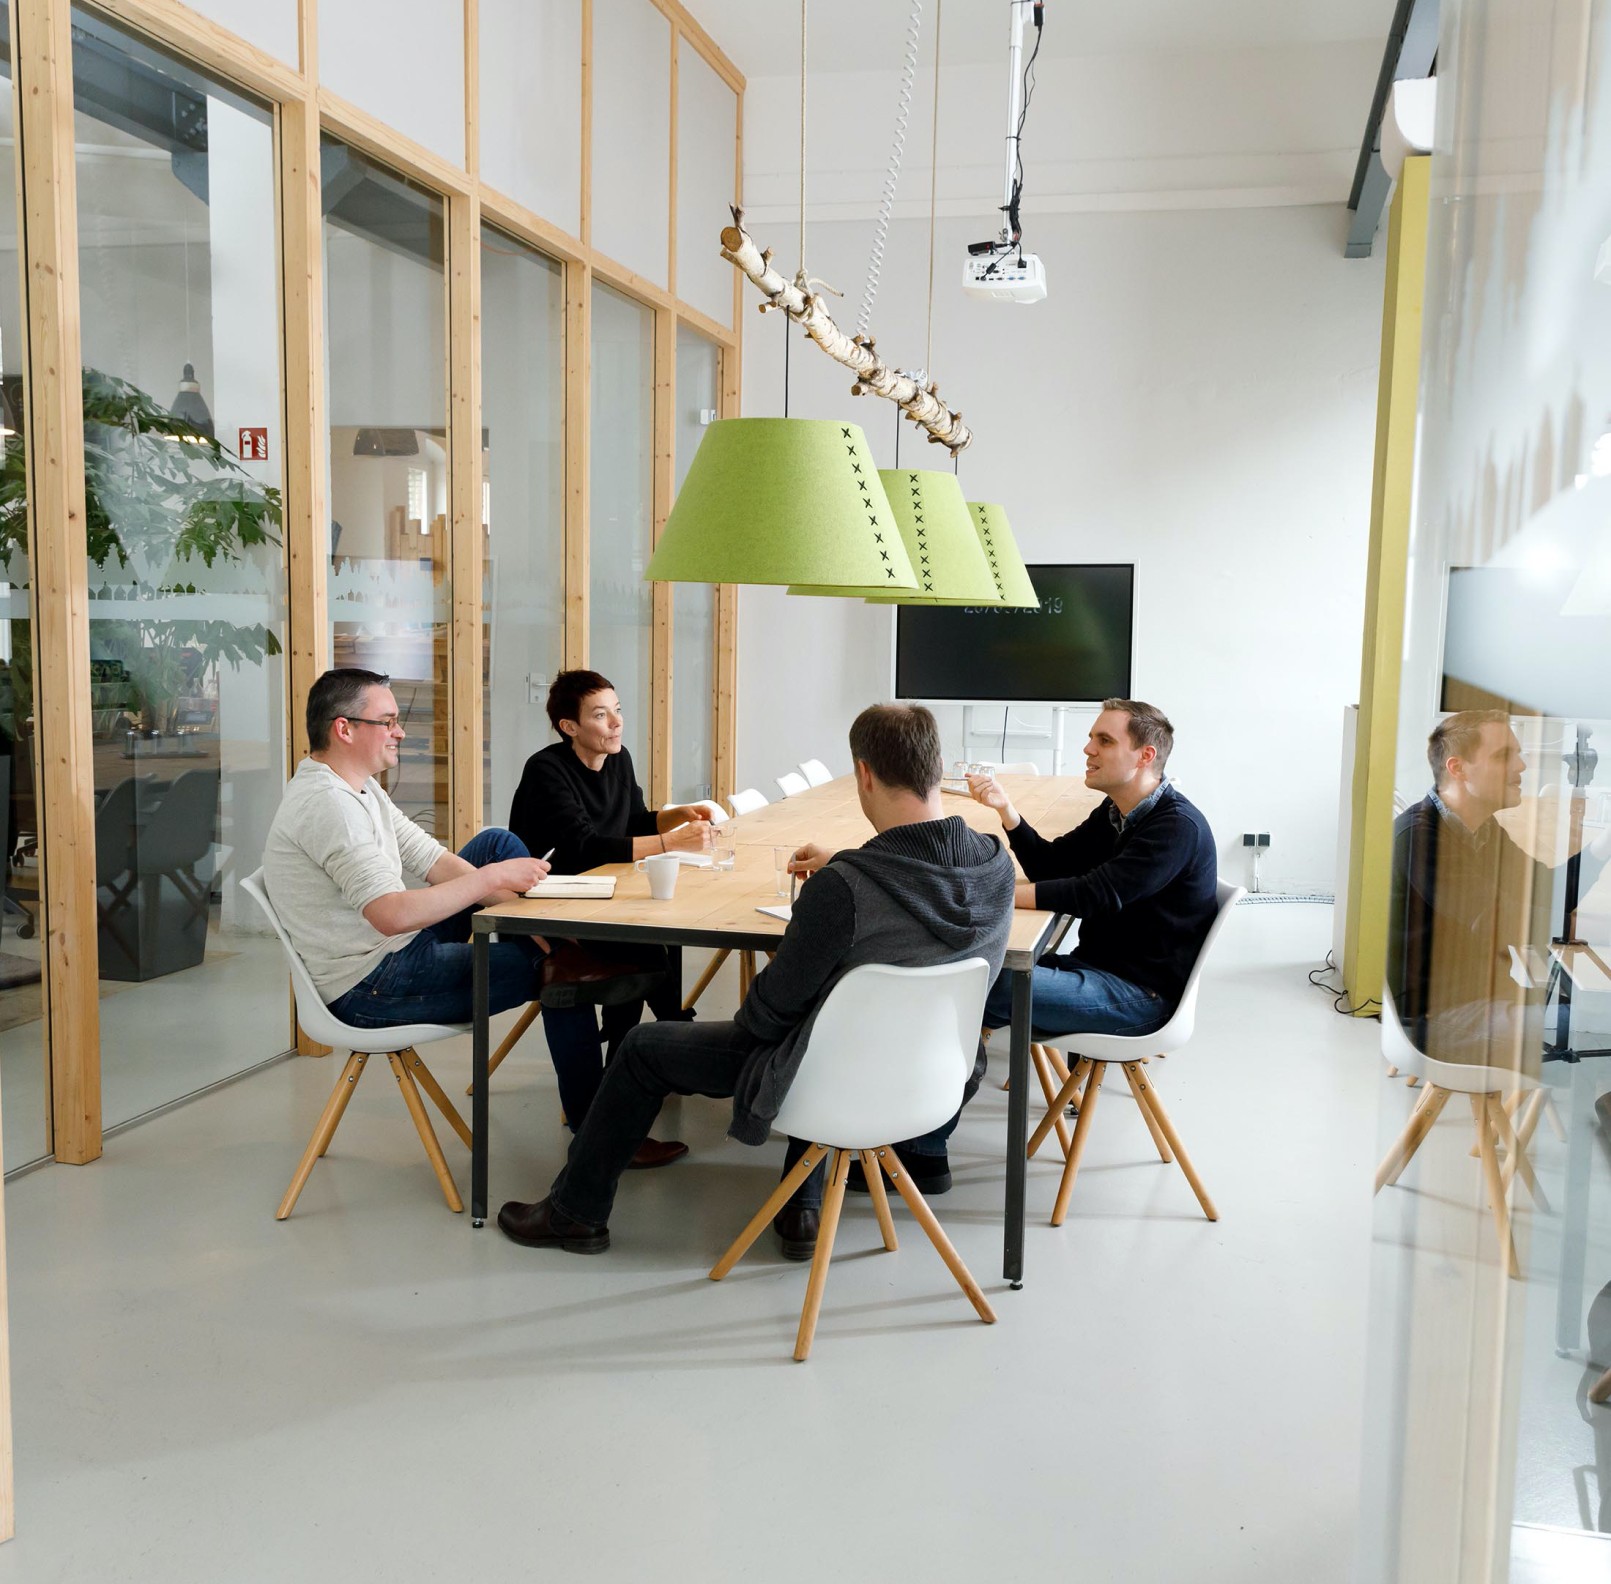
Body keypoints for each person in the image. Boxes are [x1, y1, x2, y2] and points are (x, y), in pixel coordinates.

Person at [495, 701, 1018, 1260]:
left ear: (863, 773)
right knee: (828, 1025)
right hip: (933, 1081)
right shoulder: (994, 865)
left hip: (827, 1083)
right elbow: (915, 883)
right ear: (937, 769)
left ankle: (576, 1213)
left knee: (643, 1045)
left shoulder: (843, 890)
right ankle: (802, 1204)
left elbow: (764, 1019)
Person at [261, 668, 551, 1028]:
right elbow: (390, 915)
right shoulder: (329, 805)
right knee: (550, 966)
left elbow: (429, 858)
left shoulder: (361, 786)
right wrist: (493, 879)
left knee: (496, 844)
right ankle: (568, 959)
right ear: (344, 729)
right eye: (388, 722)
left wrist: (526, 913)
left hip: (400, 951)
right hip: (372, 984)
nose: (400, 732)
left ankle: (554, 940)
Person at [507, 670, 716, 1167]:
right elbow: (583, 848)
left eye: (617, 709)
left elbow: (636, 822)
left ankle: (651, 1061)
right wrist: (670, 843)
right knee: (645, 951)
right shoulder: (546, 770)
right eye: (600, 715)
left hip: (602, 895)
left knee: (649, 945)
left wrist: (679, 815)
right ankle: (665, 1053)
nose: (616, 723)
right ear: (569, 726)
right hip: (549, 909)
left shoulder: (617, 760)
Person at [967, 698, 1218, 1038]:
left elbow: (1093, 895)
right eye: (1092, 738)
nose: (1087, 749)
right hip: (1095, 966)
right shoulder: (1116, 811)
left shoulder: (1175, 827)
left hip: (1139, 995)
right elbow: (1049, 866)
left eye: (1105, 741)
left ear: (1145, 756)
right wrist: (1007, 811)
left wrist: (996, 894)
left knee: (976, 985)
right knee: (970, 975)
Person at [1388, 710, 1552, 1066]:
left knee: (1576, 1018)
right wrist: (1571, 925)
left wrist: (1600, 854)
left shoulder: (1484, 830)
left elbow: (1543, 887)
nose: (1521, 766)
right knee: (1582, 1027)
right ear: (1458, 769)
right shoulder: (1420, 836)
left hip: (1477, 997)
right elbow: (1495, 917)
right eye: (1503, 756)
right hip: (1432, 1017)